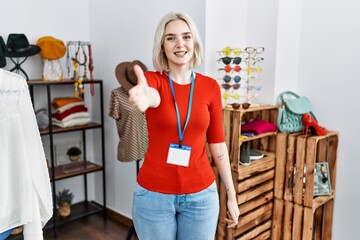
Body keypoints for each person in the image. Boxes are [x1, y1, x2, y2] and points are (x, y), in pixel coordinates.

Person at [128, 11, 239, 240]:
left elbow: (218, 145)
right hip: (153, 198)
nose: (180, 44)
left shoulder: (210, 87)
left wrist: (231, 193)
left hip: (201, 199)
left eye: (186, 36)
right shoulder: (153, 80)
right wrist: (145, 97)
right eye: (171, 38)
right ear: (162, 46)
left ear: (194, 41)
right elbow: (152, 95)